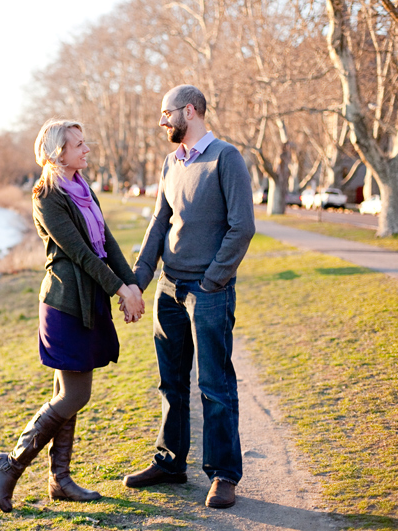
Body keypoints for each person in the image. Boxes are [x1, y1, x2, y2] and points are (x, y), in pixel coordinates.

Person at [0, 118, 145, 513]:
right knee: (76, 394)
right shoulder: (47, 195)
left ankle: (60, 480)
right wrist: (119, 290)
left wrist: (132, 285)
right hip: (64, 304)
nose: (86, 149)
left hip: (87, 301)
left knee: (65, 396)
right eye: (79, 144)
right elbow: (80, 253)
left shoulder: (83, 188)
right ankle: (11, 463)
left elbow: (106, 242)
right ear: (59, 151)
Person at [122, 85, 255, 509]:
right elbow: (158, 225)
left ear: (190, 111)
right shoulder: (170, 163)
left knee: (215, 384)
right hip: (168, 289)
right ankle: (170, 463)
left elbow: (242, 227)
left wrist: (214, 279)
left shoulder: (226, 158)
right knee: (171, 382)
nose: (162, 121)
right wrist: (138, 282)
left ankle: (224, 475)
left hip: (208, 292)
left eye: (167, 113)